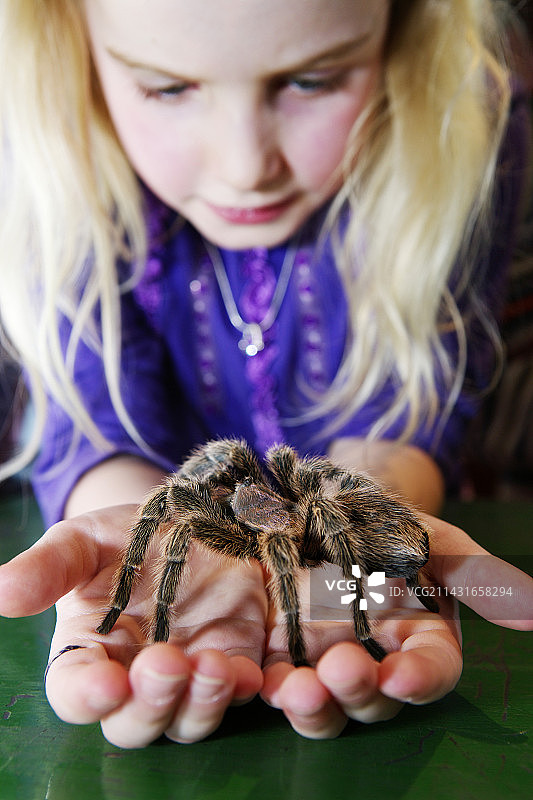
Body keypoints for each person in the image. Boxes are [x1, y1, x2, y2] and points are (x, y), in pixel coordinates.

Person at [0, 0, 532, 748]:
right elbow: (88, 414)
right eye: (167, 86)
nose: (246, 167)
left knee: (286, 517)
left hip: (363, 525)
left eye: (312, 79)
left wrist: (325, 571)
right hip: (292, 517)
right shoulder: (50, 156)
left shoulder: (465, 128)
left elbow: (409, 414)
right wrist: (128, 560)